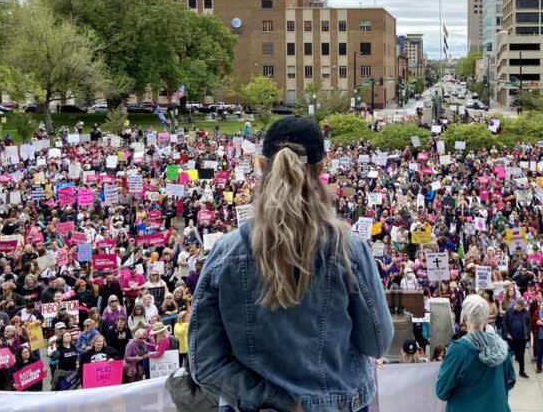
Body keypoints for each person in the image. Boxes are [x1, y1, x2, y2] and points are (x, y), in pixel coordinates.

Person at [189, 116, 394, 412]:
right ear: (321, 170)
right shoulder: (350, 250)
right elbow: (377, 343)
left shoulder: (224, 253)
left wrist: (271, 399)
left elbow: (204, 363)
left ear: (261, 166)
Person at [435, 294, 515, 412]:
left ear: (466, 317)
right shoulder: (501, 345)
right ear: (486, 318)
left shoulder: (458, 349)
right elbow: (510, 381)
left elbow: (442, 391)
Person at [502, 298, 531, 378]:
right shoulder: (509, 311)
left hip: (522, 337)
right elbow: (504, 322)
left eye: (522, 307)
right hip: (511, 337)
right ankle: (508, 372)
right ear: (516, 305)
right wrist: (507, 333)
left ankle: (522, 371)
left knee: (521, 355)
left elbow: (528, 323)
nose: (521, 309)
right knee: (509, 355)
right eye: (520, 307)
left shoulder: (525, 311)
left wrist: (527, 333)